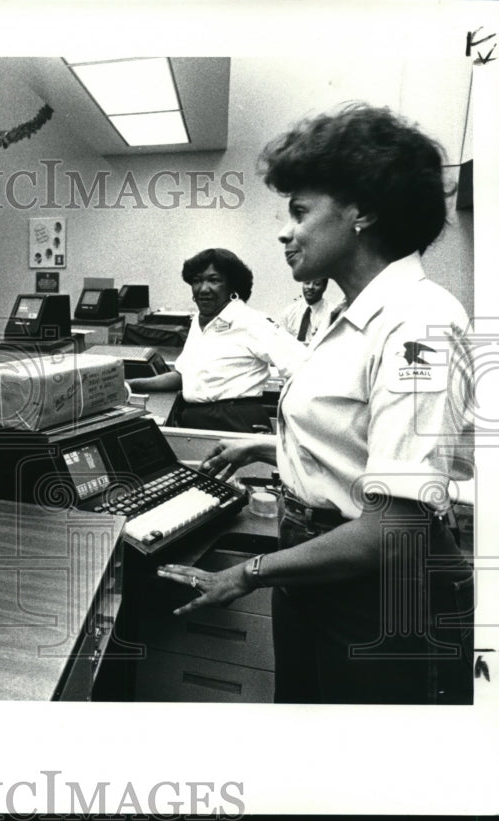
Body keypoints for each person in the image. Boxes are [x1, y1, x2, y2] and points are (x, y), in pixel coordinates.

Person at [157, 103, 475, 704]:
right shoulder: (347, 317)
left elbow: (397, 527)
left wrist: (246, 574)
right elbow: (355, 444)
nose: (285, 230)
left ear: (365, 212)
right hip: (316, 567)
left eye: (300, 212)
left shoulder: (419, 324)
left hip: (381, 595)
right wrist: (267, 445)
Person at [127, 248, 306, 433]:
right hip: (197, 421)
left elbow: (303, 365)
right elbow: (183, 376)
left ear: (232, 286)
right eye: (197, 281)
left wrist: (294, 422)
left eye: (214, 280)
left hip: (235, 422)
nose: (203, 289)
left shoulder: (250, 321)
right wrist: (132, 384)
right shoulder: (200, 320)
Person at [278, 277, 340, 345]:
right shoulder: (289, 312)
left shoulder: (332, 313)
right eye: (307, 283)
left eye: (317, 284)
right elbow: (280, 341)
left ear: (324, 287)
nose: (310, 287)